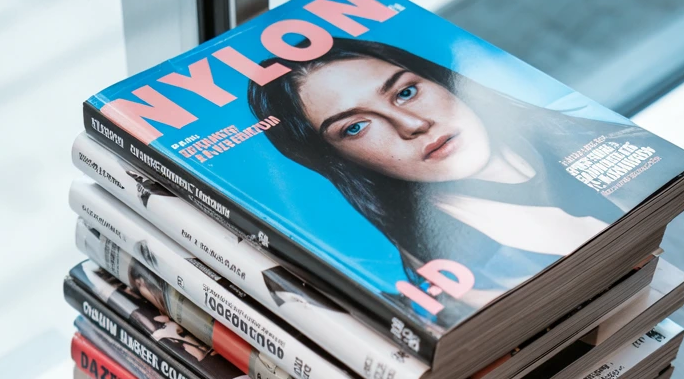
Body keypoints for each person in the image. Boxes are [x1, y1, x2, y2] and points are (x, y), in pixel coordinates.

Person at [248, 39, 658, 322]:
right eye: (355, 128)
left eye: (406, 92)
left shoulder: (609, 140)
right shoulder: (472, 283)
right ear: (338, 160)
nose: (412, 125)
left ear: (442, 79)